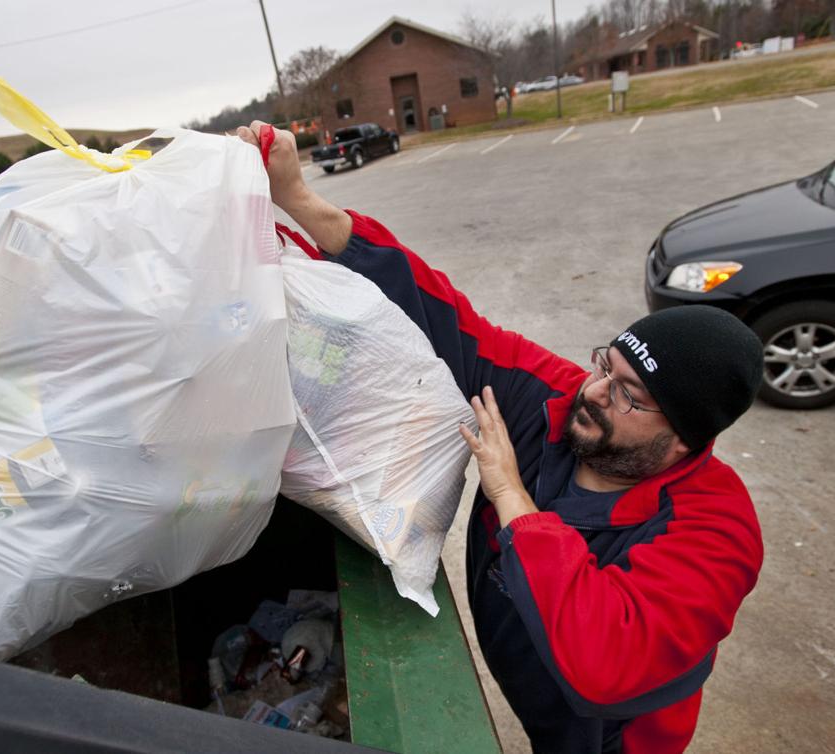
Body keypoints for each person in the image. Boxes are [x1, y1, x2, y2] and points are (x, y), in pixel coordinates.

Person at [237, 122, 765, 754]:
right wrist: (297, 197)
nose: (596, 392)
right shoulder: (558, 404)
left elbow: (606, 665)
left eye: (630, 395)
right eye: (606, 366)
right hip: (530, 690)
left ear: (683, 439)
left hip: (607, 741)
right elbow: (441, 317)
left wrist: (513, 497)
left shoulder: (715, 529)